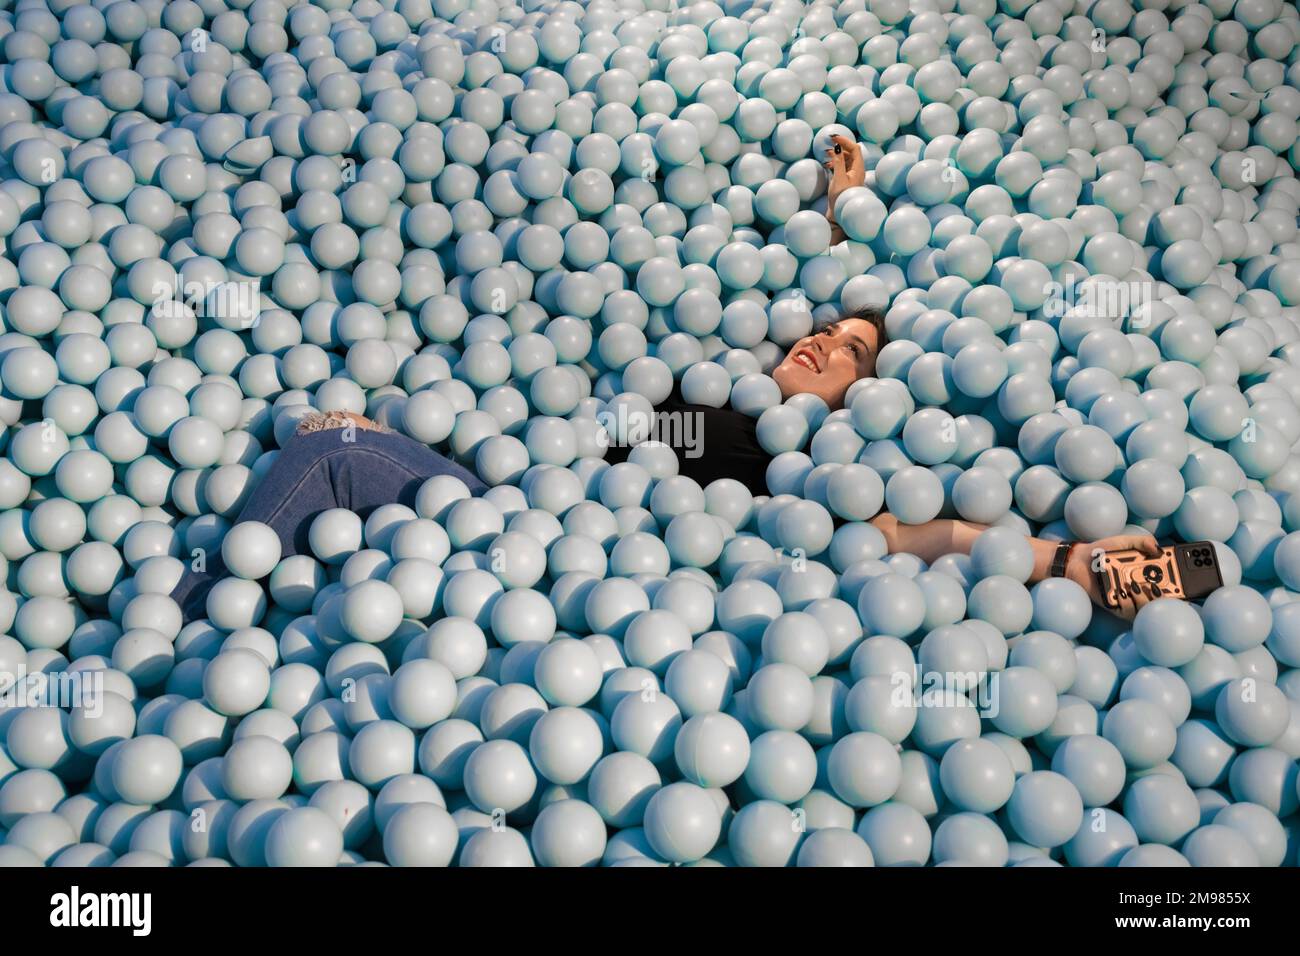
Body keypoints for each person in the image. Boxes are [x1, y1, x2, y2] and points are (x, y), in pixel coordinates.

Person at [170, 301, 1163, 624]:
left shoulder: (810, 463)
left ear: (866, 396)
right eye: (822, 327)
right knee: (341, 438)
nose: (824, 343)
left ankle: (177, 621)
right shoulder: (714, 387)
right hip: (514, 502)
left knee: (335, 452)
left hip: (574, 557)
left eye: (850, 352)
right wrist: (841, 192)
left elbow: (921, 532)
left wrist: (1084, 561)